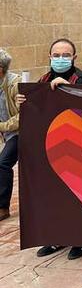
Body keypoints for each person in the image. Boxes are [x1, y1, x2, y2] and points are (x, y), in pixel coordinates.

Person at [26, 39, 82, 260]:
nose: (60, 59)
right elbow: (37, 111)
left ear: (75, 57)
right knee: (55, 195)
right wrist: (24, 100)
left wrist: (69, 90)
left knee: (79, 195)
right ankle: (58, 237)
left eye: (65, 55)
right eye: (56, 55)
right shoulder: (42, 81)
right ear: (49, 56)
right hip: (53, 146)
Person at [0, 48, 19, 223]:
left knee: (3, 163)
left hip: (21, 133)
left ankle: (3, 207)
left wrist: (3, 126)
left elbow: (23, 115)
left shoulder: (14, 84)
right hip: (7, 134)